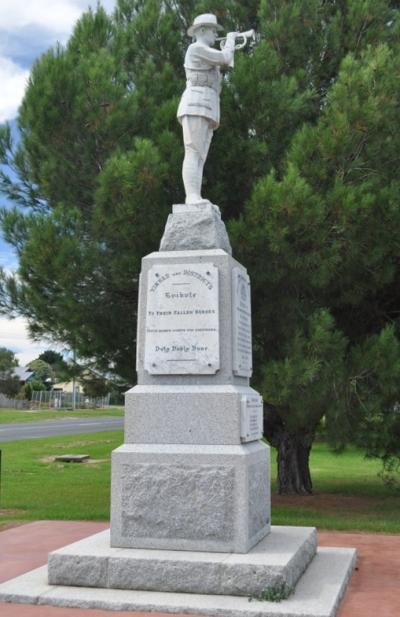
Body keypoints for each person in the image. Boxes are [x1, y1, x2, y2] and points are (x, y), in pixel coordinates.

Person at [177, 14, 237, 204]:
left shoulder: (205, 53)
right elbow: (226, 57)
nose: (214, 34)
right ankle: (192, 196)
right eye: (212, 30)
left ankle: (195, 195)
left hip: (208, 105)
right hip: (195, 103)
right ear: (201, 31)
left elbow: (220, 77)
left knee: (200, 156)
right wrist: (231, 41)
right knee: (193, 151)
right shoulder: (196, 48)